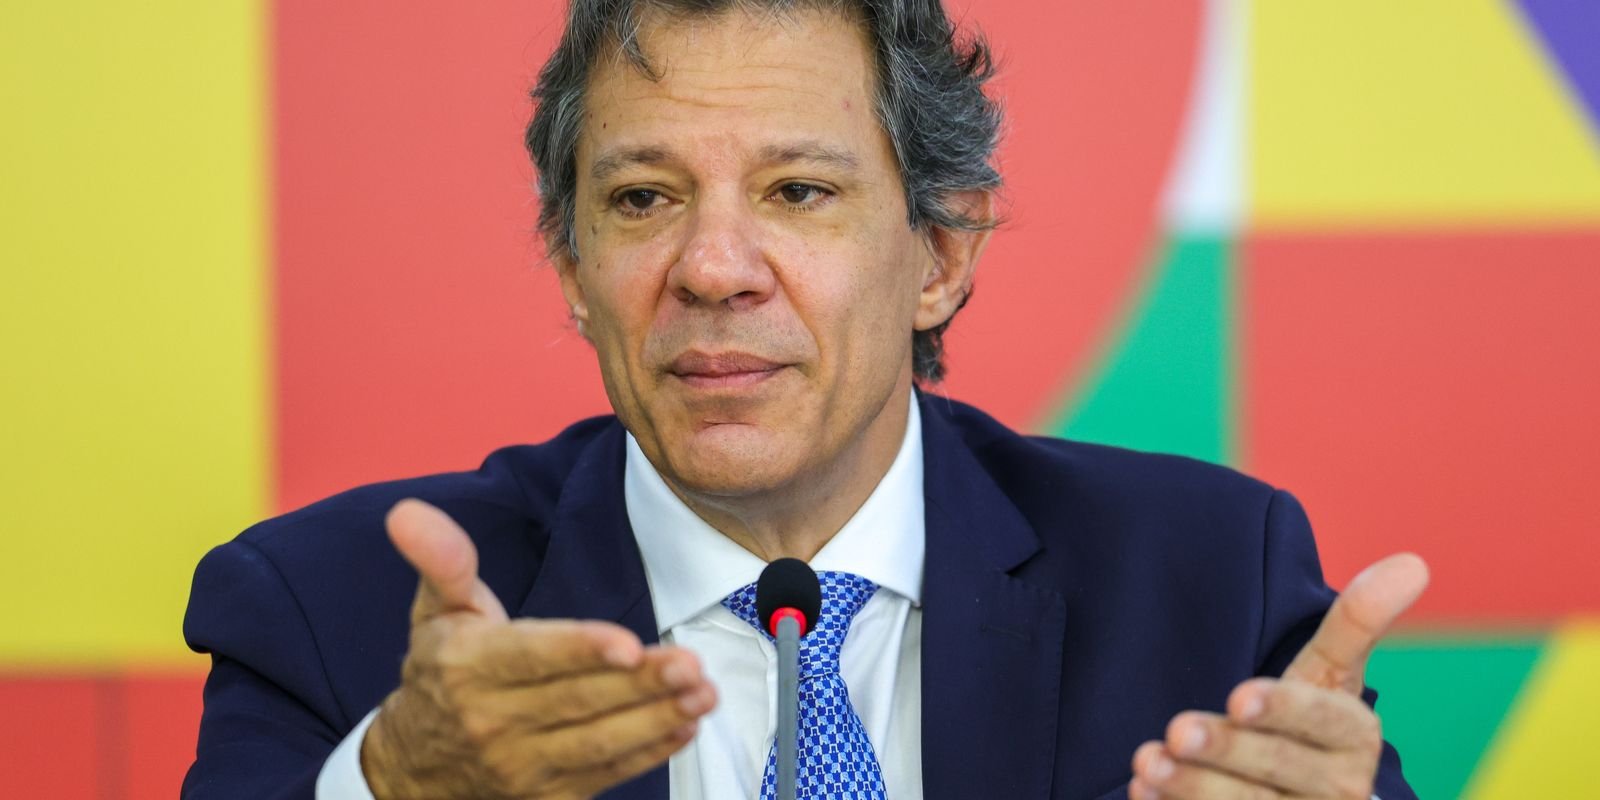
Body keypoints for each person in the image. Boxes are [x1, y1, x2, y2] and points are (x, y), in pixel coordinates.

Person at [182, 1, 1427, 798]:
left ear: (940, 255)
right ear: (571, 266)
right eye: (642, 198)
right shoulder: (329, 615)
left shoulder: (1208, 583)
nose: (713, 269)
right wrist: (392, 788)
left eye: (797, 192)